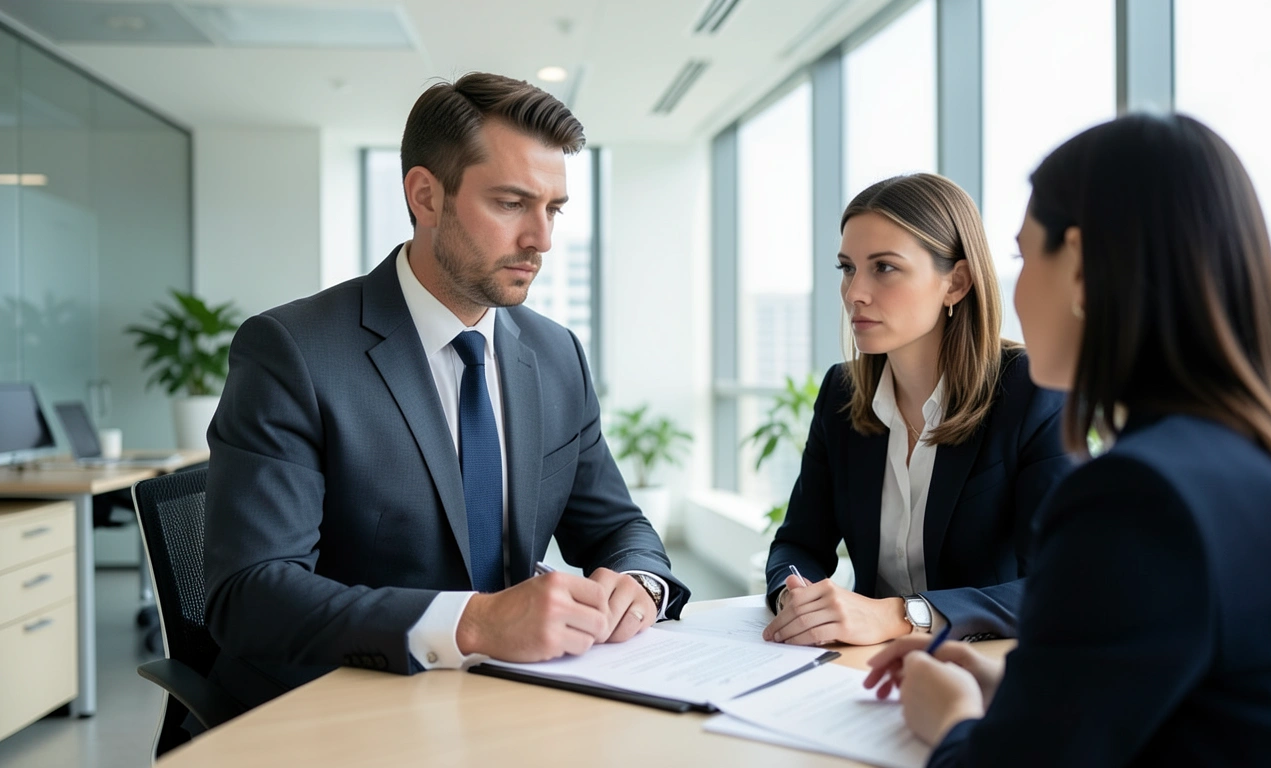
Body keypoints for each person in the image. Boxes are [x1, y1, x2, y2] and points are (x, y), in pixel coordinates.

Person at [865, 113, 1271, 766]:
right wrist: (1013, 688)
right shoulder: (1264, 460)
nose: (1018, 288)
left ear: (1083, 268)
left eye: (1022, 256)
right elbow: (1203, 704)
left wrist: (950, 719)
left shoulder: (1137, 495)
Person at [202, 73, 689, 713]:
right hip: (348, 709)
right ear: (426, 197)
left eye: (555, 209)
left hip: (514, 703)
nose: (541, 240)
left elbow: (618, 525)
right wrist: (475, 623)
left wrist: (640, 581)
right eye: (512, 203)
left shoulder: (555, 353)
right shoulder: (293, 351)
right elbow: (251, 594)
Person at [763, 173, 1073, 647]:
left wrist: (903, 616)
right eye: (847, 268)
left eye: (884, 268)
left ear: (957, 283)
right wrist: (796, 599)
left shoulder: (1030, 392)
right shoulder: (841, 393)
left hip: (979, 668)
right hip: (859, 667)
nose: (854, 293)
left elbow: (1058, 583)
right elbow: (799, 543)